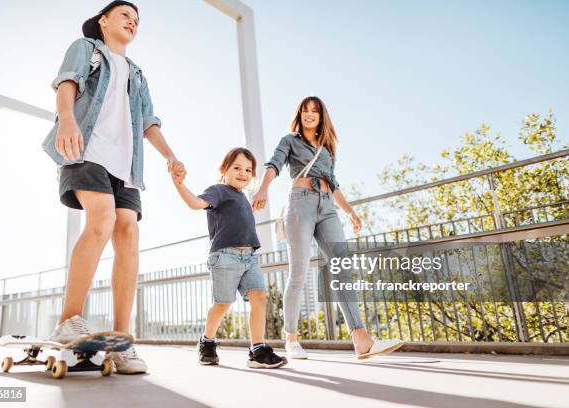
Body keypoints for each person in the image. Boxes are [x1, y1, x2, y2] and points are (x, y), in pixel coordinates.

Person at [41, 1, 185, 374]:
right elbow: (67, 82)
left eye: (137, 21)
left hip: (125, 166)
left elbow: (148, 120)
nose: (132, 23)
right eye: (125, 16)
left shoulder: (137, 73)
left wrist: (170, 156)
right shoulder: (86, 49)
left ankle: (121, 341)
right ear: (103, 20)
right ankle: (69, 318)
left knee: (128, 232)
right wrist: (68, 120)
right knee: (101, 220)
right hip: (86, 149)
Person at [251, 96, 404, 360]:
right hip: (300, 205)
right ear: (299, 115)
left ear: (322, 116)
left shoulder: (327, 148)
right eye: (305, 110)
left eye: (315, 111)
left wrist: (350, 211)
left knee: (342, 269)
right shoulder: (289, 141)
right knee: (298, 273)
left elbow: (333, 184)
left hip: (327, 208)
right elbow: (274, 164)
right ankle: (291, 339)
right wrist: (263, 188)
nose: (310, 115)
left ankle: (361, 339)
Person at [172, 147, 287, 368]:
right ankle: (207, 342)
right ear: (224, 169)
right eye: (237, 167)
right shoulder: (219, 190)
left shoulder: (243, 197)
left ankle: (257, 350)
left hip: (250, 256)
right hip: (225, 257)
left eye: (248, 170)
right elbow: (196, 203)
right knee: (222, 305)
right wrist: (179, 184)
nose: (243, 173)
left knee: (260, 297)